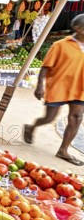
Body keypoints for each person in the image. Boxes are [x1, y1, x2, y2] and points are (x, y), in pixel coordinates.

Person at [24, 14, 84, 166]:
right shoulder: (60, 45)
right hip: (59, 86)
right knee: (49, 117)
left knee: (76, 117)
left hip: (80, 88)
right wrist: (39, 86)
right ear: (78, 28)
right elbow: (45, 67)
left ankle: (63, 150)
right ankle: (31, 127)